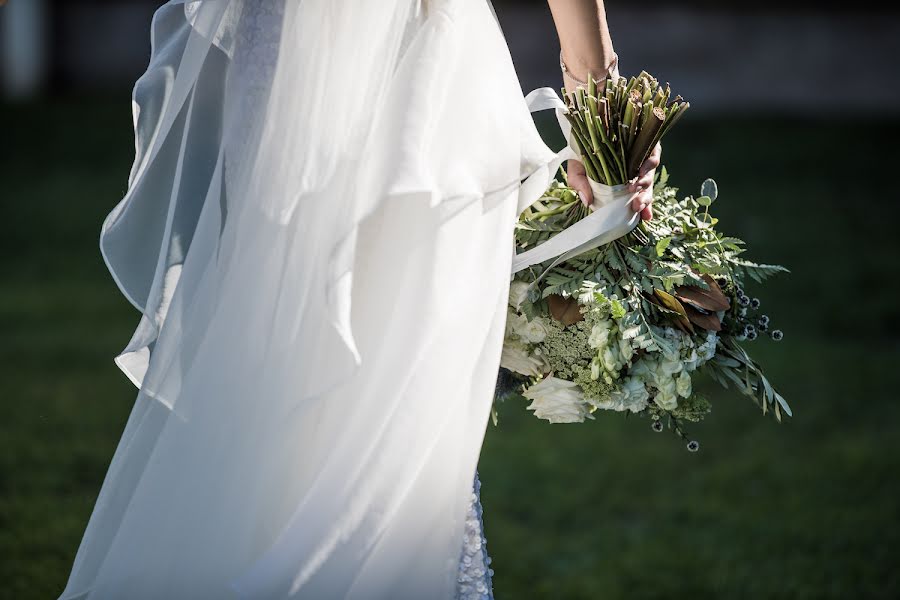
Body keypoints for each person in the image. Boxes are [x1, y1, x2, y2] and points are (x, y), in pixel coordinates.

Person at [58, 1, 659, 598]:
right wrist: (597, 94)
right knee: (388, 419)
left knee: (295, 384)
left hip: (284, 64)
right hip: (419, 70)